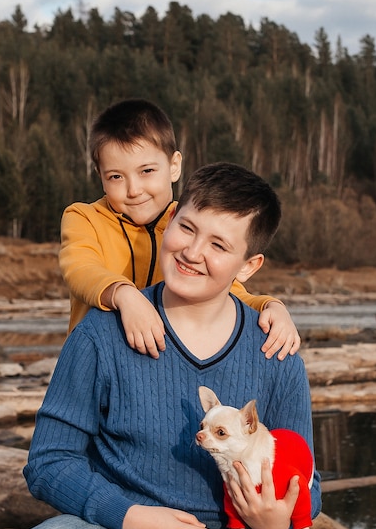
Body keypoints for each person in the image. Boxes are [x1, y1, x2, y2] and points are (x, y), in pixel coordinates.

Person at [0, 162, 349, 529]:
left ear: (248, 266)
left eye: (219, 246)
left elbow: (306, 479)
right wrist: (128, 516)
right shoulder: (99, 336)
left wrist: (277, 522)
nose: (192, 253)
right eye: (187, 228)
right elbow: (49, 463)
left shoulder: (277, 354)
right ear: (171, 218)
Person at [59, 98, 300, 360]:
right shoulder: (84, 218)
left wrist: (270, 306)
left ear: (174, 166)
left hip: (156, 367)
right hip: (94, 362)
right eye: (116, 176)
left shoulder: (185, 227)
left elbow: (226, 289)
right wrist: (124, 295)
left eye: (147, 171)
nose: (133, 190)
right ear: (100, 175)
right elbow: (80, 270)